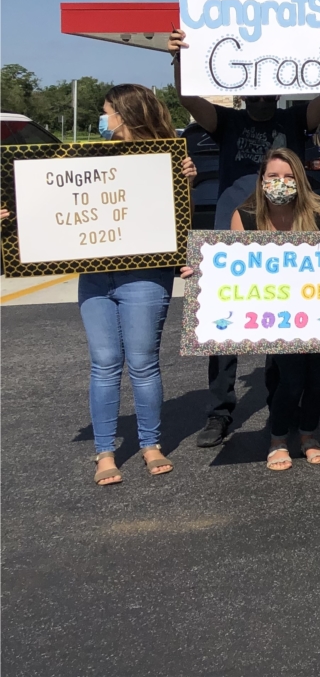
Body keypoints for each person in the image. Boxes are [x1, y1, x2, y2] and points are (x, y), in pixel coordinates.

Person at [168, 25, 320, 449]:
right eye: (255, 90)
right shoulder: (226, 121)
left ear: (280, 92)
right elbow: (188, 98)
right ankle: (220, 411)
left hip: (285, 232)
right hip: (232, 231)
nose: (263, 97)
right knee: (223, 330)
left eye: (270, 91)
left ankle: (279, 416)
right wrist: (180, 59)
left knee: (281, 326)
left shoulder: (294, 119)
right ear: (242, 90)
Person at [79, 84, 198, 485]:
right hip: (95, 274)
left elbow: (180, 221)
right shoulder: (87, 160)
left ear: (125, 115)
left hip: (146, 276)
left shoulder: (169, 159)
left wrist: (185, 185)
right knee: (104, 364)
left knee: (143, 363)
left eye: (106, 111)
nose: (103, 119)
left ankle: (150, 443)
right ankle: (105, 453)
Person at [233, 148, 320, 471]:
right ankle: (278, 437)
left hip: (316, 312)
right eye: (274, 177)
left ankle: (308, 433)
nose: (282, 183)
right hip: (274, 315)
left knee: (319, 378)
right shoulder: (246, 217)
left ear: (301, 180)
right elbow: (233, 267)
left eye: (289, 177)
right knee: (291, 379)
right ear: (261, 181)